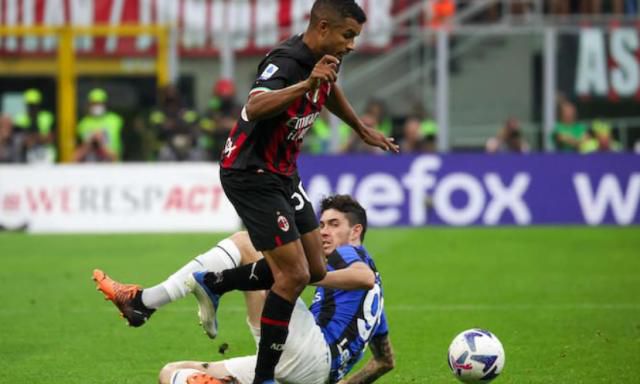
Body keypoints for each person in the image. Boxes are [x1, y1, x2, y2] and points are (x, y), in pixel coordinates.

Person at [216, 1, 398, 383]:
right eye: (347, 35)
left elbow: (328, 90)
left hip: (284, 172)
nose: (351, 45)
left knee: (315, 268)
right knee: (295, 273)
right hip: (254, 170)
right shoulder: (287, 61)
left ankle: (215, 282)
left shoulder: (328, 57)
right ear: (323, 27)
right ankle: (265, 376)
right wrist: (306, 84)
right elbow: (255, 104)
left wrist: (361, 129)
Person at [93, 195, 394, 384]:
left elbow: (363, 276)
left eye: (334, 224)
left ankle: (145, 302)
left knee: (249, 243)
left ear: (355, 232)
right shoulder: (376, 305)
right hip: (310, 372)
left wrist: (303, 275)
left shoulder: (348, 253)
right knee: (171, 373)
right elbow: (384, 361)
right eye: (321, 224)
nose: (323, 231)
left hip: (310, 354)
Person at [150, 85, 204, 161]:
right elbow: (159, 128)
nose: (171, 104)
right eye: (168, 101)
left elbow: (194, 123)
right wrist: (175, 123)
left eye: (173, 100)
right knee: (164, 153)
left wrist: (176, 123)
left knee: (197, 154)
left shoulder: (185, 111)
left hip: (187, 145)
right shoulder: (159, 112)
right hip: (168, 146)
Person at [75, 88, 124, 162]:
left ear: (105, 104)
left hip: (112, 166)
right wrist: (92, 141)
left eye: (100, 103)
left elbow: (116, 155)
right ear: (89, 105)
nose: (97, 106)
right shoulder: (83, 124)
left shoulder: (116, 120)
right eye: (94, 103)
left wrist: (101, 143)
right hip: (91, 165)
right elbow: (75, 157)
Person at [13, 88, 56, 163]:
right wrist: (40, 138)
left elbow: (51, 137)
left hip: (47, 157)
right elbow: (20, 141)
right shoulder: (19, 119)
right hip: (25, 159)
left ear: (39, 105)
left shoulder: (47, 117)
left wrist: (34, 138)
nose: (32, 108)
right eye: (30, 105)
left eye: (34, 105)